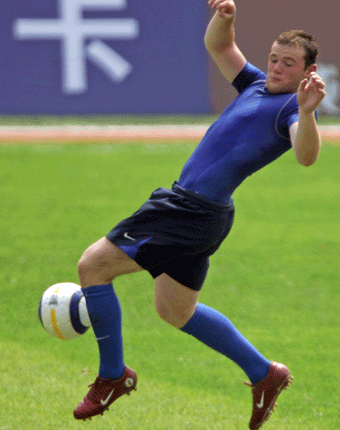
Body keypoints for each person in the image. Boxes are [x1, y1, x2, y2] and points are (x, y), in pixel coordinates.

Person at [73, 1, 326, 428]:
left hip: (186, 210)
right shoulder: (255, 85)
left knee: (92, 266)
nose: (278, 68)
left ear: (307, 72)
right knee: (176, 311)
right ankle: (264, 373)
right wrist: (225, 17)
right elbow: (219, 45)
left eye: (289, 64)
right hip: (205, 215)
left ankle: (113, 376)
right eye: (274, 59)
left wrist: (306, 111)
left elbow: (306, 155)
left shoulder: (289, 110)